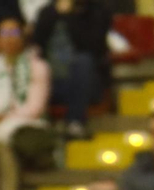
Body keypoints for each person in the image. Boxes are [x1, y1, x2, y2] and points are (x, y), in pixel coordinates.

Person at [32, 0, 112, 139]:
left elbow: (92, 47)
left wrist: (69, 16)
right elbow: (38, 41)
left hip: (86, 84)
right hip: (50, 83)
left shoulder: (98, 10)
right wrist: (55, 13)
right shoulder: (48, 11)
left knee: (83, 61)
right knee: (35, 64)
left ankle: (75, 123)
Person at [0, 18, 50, 147]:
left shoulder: (39, 67)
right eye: (4, 34)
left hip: (26, 123)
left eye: (14, 33)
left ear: (23, 38)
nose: (9, 38)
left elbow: (35, 108)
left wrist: (5, 118)